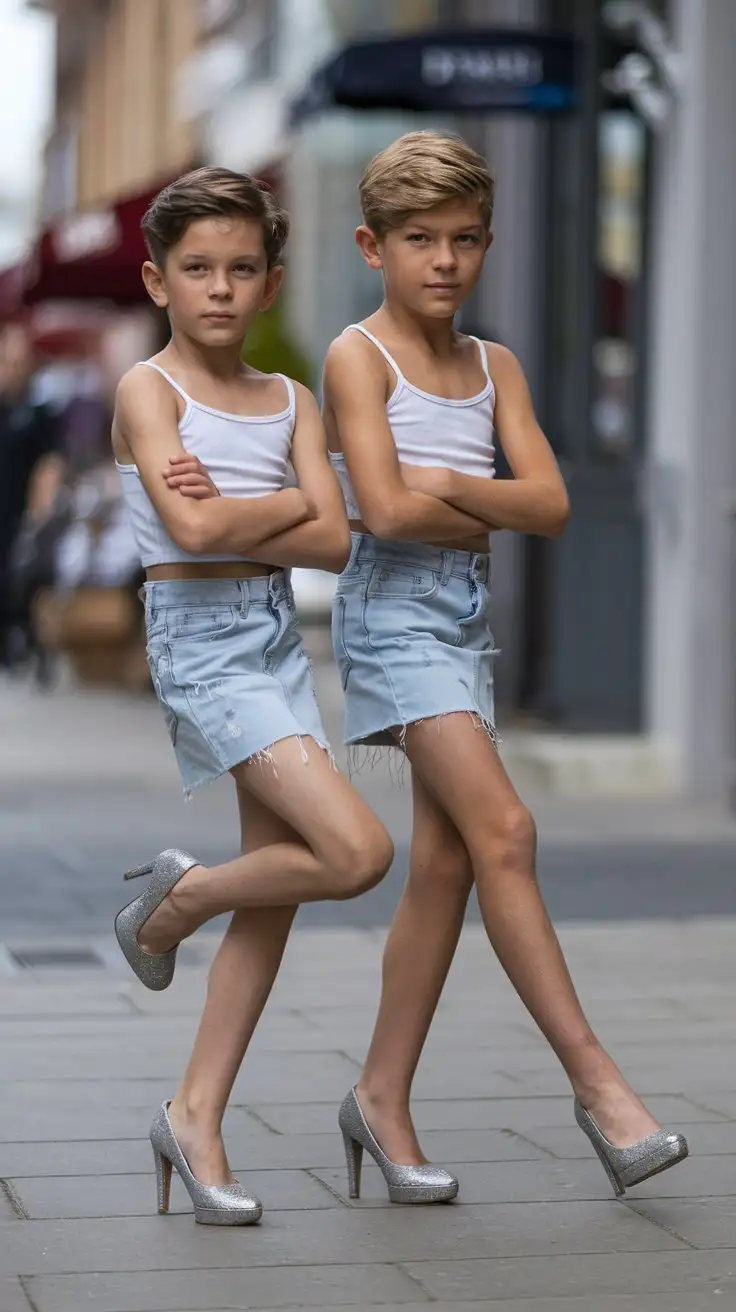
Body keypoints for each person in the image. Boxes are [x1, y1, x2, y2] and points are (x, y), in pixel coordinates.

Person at [323, 131, 688, 1204]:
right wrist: (472, 490)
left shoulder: (497, 368)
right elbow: (384, 512)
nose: (444, 261)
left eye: (466, 239)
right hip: (392, 619)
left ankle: (379, 1096)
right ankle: (600, 1086)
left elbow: (556, 504)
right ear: (372, 245)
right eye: (419, 240)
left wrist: (437, 477)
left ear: (489, 242)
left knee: (445, 865)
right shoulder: (358, 356)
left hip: (462, 621)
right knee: (507, 831)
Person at [112, 167, 393, 1226]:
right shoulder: (151, 391)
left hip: (273, 641)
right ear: (157, 280)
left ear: (270, 282)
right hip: (199, 645)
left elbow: (334, 538)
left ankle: (195, 1118)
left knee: (276, 896)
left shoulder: (291, 399)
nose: (219, 289)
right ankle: (175, 901)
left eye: (240, 269)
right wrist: (280, 504)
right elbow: (188, 535)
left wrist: (245, 506)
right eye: (197, 270)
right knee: (357, 851)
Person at [0, 324, 64, 668]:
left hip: (21, 509)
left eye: (20, 361)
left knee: (22, 576)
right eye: (8, 360)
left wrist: (40, 511)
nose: (14, 367)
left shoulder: (39, 413)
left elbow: (50, 464)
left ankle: (26, 641)